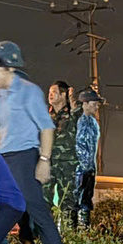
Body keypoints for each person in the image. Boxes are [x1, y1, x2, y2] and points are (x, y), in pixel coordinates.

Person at [0, 42, 71, 244]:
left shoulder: (29, 91)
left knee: (36, 209)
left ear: (6, 68)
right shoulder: (0, 94)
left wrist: (44, 160)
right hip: (5, 159)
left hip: (25, 158)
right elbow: (2, 130)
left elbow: (47, 128)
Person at [47, 80, 80, 217]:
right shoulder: (46, 116)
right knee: (43, 198)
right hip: (48, 163)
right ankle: (43, 233)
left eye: (54, 92)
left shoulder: (73, 112)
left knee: (68, 200)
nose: (50, 95)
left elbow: (81, 121)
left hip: (68, 163)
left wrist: (73, 102)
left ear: (63, 94)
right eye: (49, 92)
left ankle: (69, 234)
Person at [73, 89, 103, 229]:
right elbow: (77, 145)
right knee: (75, 200)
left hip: (90, 168)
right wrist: (84, 166)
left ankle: (84, 228)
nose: (96, 107)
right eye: (94, 104)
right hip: (79, 169)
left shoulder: (93, 122)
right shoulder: (77, 120)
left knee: (86, 200)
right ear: (84, 103)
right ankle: (72, 229)